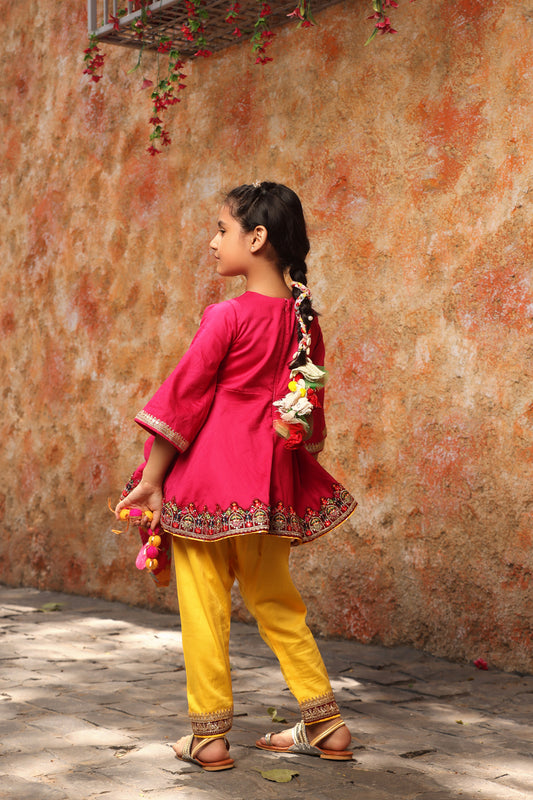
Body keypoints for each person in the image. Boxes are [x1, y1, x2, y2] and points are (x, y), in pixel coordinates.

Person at [114, 181, 357, 771]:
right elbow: (310, 418)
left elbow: (183, 399)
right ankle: (326, 725)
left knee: (204, 606)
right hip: (271, 485)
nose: (213, 241)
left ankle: (209, 736)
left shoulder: (226, 316)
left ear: (257, 237)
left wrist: (151, 477)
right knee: (276, 601)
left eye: (222, 230)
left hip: (209, 484)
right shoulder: (304, 325)